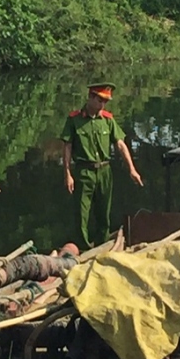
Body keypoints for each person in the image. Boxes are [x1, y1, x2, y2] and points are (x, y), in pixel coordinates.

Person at [60, 83, 143, 250]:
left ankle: (102, 246)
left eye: (105, 101)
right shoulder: (75, 120)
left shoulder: (107, 119)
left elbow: (120, 144)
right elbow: (67, 146)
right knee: (82, 213)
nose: (102, 105)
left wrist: (132, 169)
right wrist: (67, 173)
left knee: (103, 212)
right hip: (84, 171)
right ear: (90, 97)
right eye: (100, 100)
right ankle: (83, 248)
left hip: (104, 170)